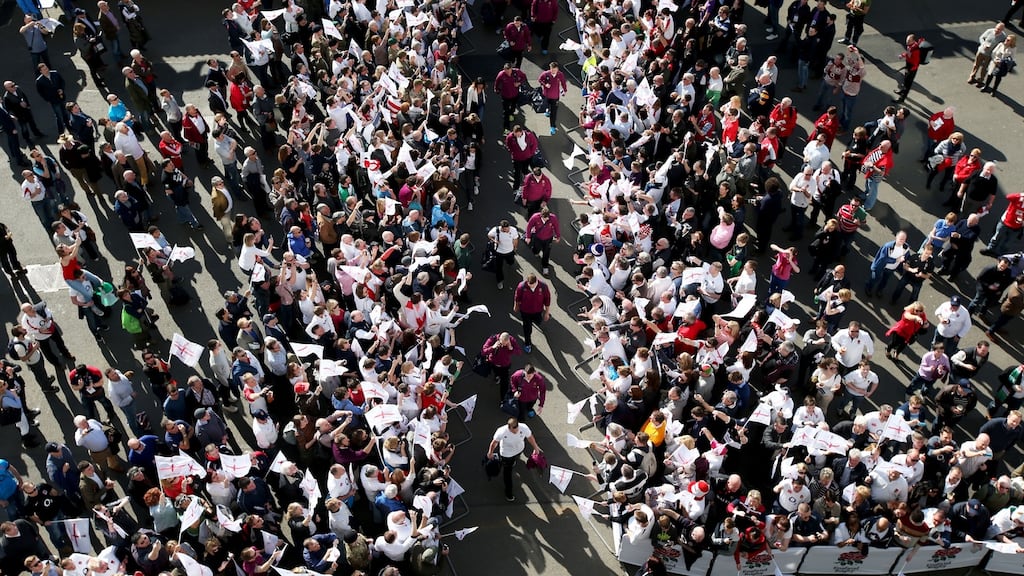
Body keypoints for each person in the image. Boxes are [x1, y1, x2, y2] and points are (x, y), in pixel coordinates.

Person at [486, 417, 543, 502]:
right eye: (514, 430)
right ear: (509, 427)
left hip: (518, 450)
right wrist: (490, 452)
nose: (516, 432)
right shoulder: (501, 431)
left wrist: (536, 447)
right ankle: (508, 493)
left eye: (517, 429)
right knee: (507, 473)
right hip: (506, 454)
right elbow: (494, 443)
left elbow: (530, 437)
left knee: (514, 459)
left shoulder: (523, 427)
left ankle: (512, 462)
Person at [513, 273, 550, 354]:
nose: (531, 287)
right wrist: (516, 305)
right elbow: (517, 296)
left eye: (532, 285)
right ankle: (528, 344)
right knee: (527, 329)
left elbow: (547, 300)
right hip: (525, 312)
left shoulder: (543, 286)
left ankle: (536, 322)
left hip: (538, 311)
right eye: (529, 285)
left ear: (537, 282)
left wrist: (547, 312)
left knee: (539, 321)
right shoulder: (522, 286)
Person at [524, 206, 560, 275]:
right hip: (538, 237)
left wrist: (558, 236)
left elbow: (556, 227)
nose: (546, 220)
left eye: (547, 218)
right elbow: (529, 226)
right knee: (536, 249)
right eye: (544, 218)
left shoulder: (553, 218)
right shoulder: (535, 217)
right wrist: (528, 237)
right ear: (541, 215)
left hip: (548, 238)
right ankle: (535, 251)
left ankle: (545, 266)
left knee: (546, 253)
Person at [487, 220, 520, 290]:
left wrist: (515, 248)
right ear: (501, 228)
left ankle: (510, 263)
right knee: (499, 268)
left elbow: (515, 240)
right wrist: (495, 240)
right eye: (505, 230)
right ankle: (500, 281)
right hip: (499, 252)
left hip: (510, 251)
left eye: (507, 229)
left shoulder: (513, 230)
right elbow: (489, 235)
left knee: (511, 261)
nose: (507, 231)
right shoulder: (496, 230)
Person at [537, 62, 566, 135]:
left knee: (554, 112)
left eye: (554, 70)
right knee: (546, 106)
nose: (553, 71)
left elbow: (563, 82)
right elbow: (540, 80)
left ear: (557, 69)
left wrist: (564, 90)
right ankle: (547, 110)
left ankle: (552, 126)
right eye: (551, 70)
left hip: (555, 97)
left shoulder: (560, 74)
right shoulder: (545, 74)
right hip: (546, 96)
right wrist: (545, 84)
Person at [893, 33, 923, 102]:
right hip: (909, 65)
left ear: (913, 41)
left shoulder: (916, 50)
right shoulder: (910, 46)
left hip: (912, 68)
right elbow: (908, 53)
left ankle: (902, 98)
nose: (907, 42)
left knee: (908, 84)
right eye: (907, 40)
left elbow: (916, 62)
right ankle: (902, 91)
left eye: (909, 40)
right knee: (905, 80)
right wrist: (902, 55)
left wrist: (910, 70)